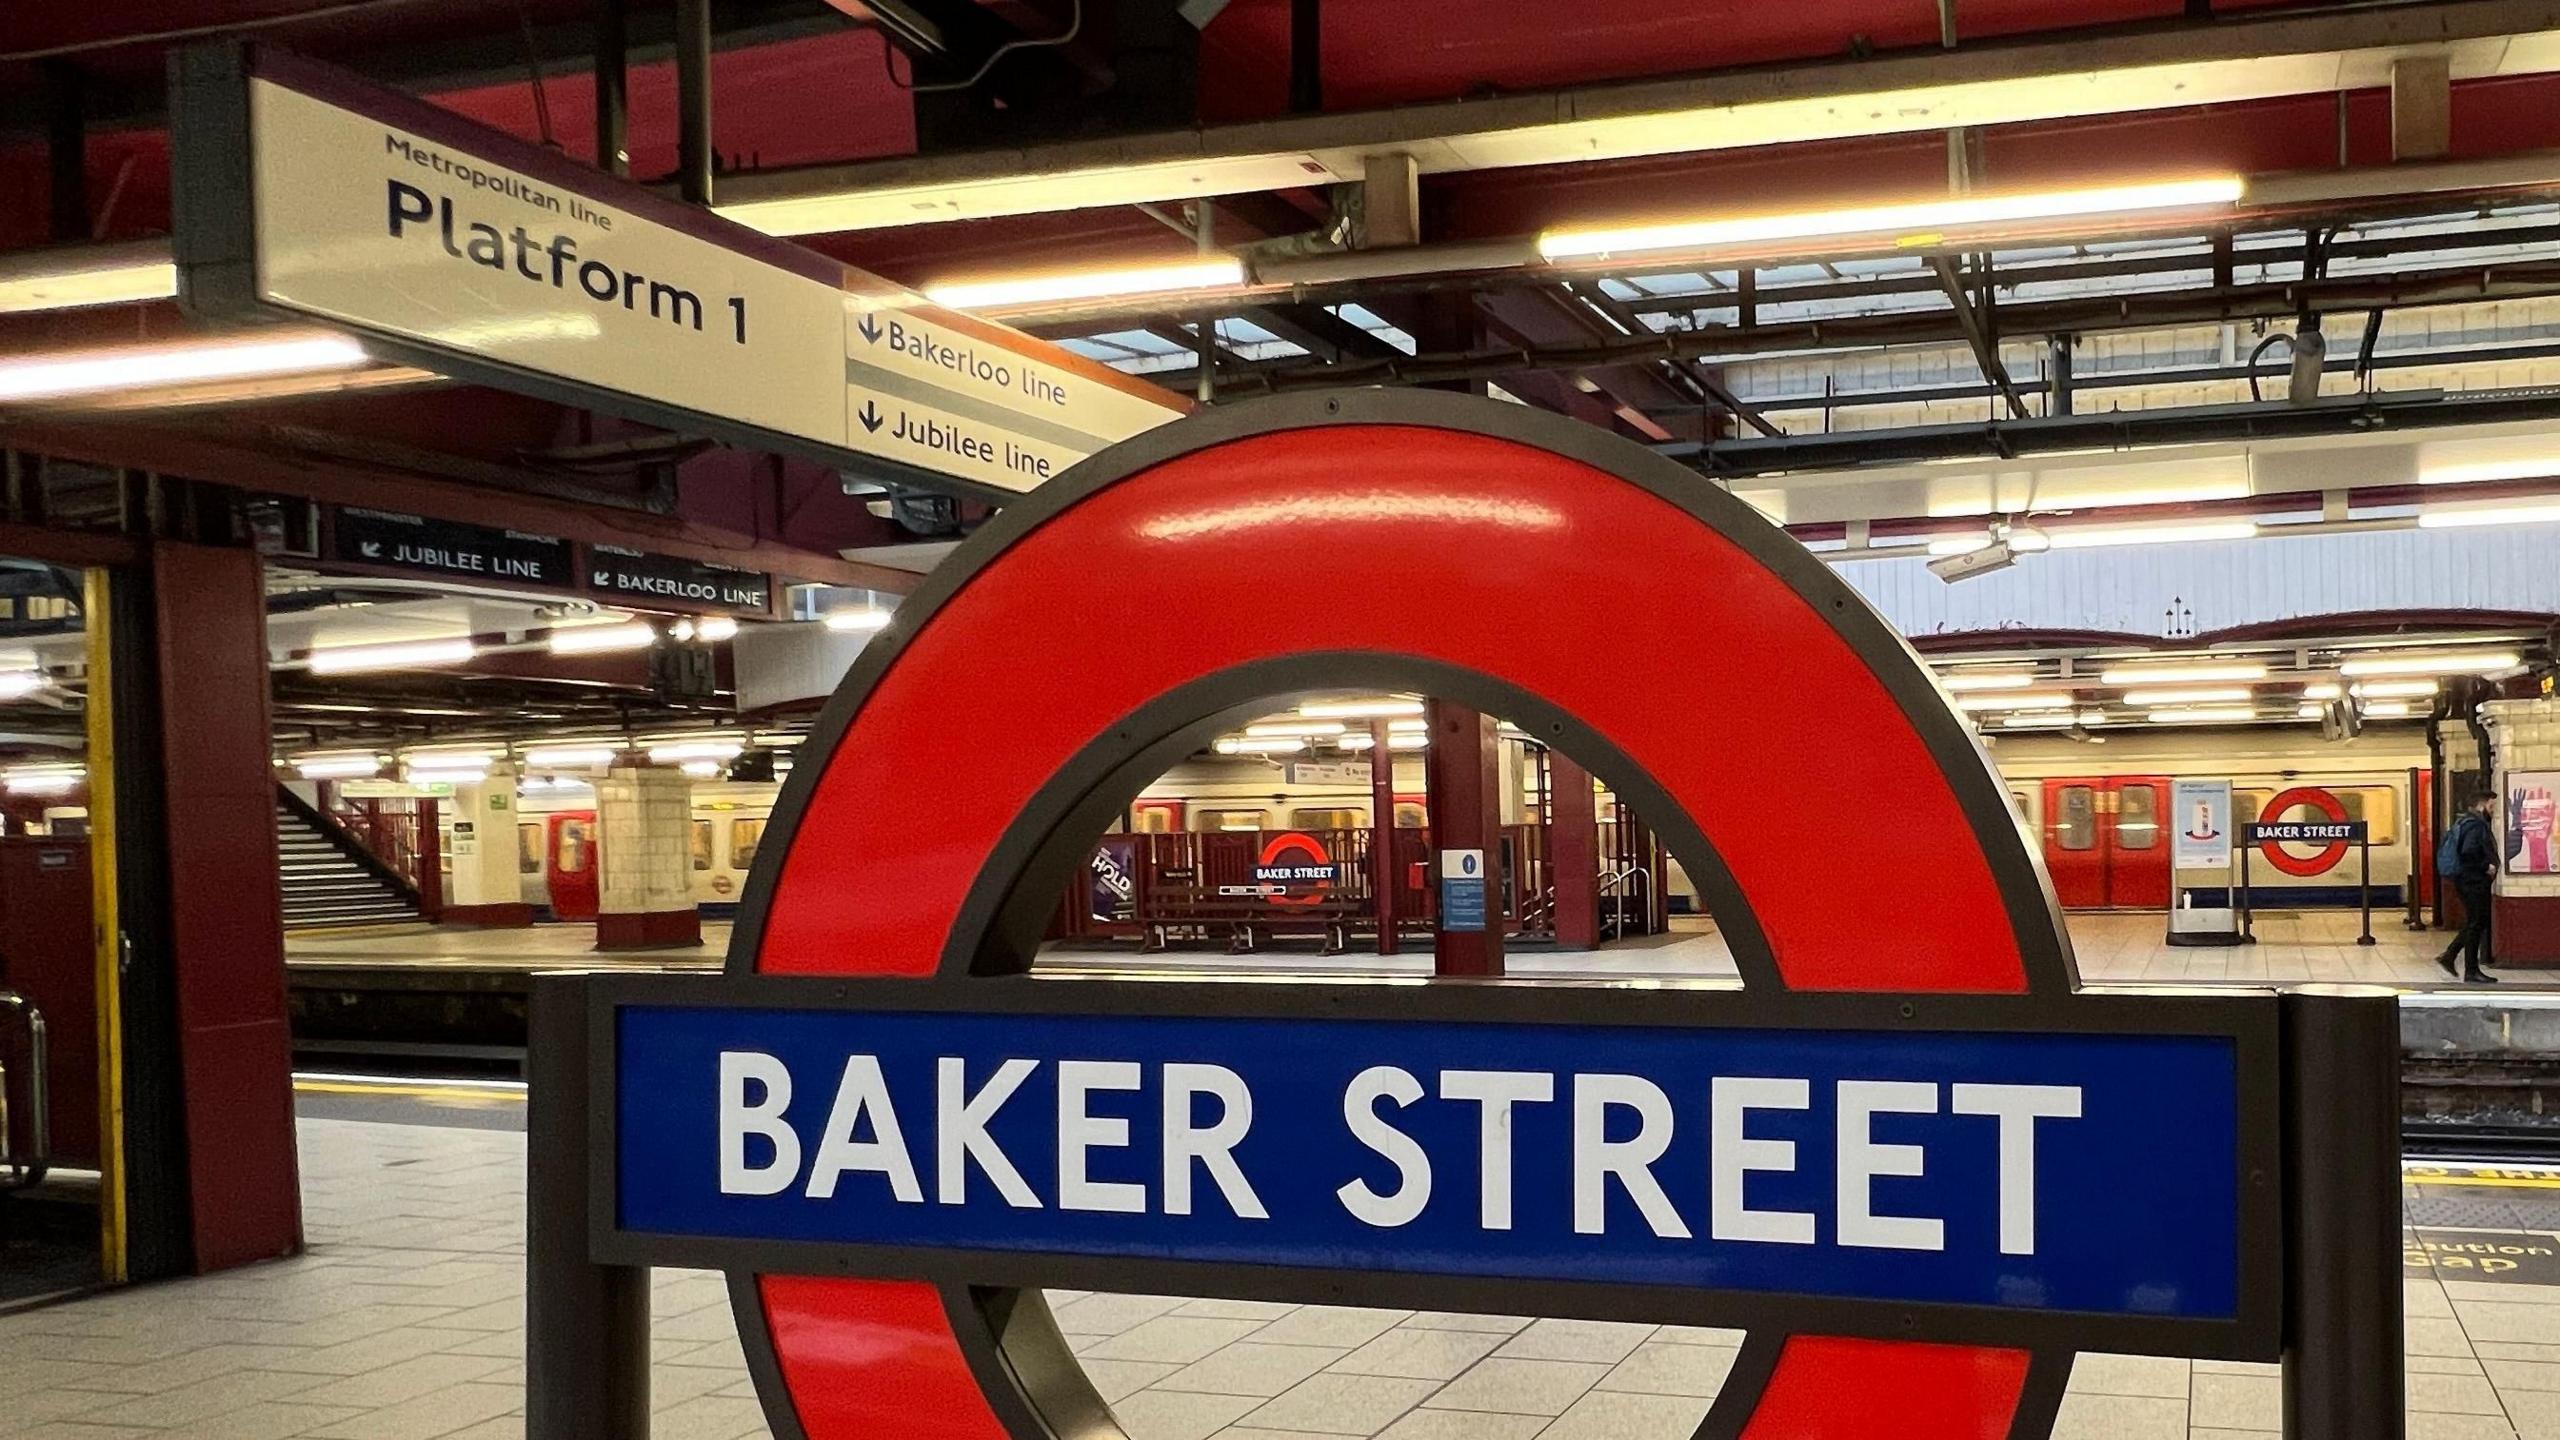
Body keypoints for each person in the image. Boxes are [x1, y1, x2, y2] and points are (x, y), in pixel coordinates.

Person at [2438, 789, 2502, 984]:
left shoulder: (2466, 821)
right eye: (2491, 806)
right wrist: (2487, 866)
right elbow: (2469, 852)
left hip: (2467, 880)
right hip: (2472, 881)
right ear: (2482, 805)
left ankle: (2451, 957)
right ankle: (2470, 969)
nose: (2493, 810)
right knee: (2476, 923)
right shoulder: (2475, 825)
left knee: (2475, 922)